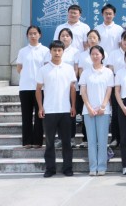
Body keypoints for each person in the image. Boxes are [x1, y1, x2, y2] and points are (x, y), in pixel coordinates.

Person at [35, 40, 77, 178]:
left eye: (59, 50)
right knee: (49, 142)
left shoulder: (68, 69)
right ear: (50, 51)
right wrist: (40, 107)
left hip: (65, 110)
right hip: (49, 111)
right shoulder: (44, 69)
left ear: (63, 52)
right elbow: (38, 89)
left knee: (66, 142)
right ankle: (50, 168)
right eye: (54, 50)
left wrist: (73, 106)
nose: (57, 53)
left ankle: (67, 168)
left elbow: (72, 88)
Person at [79, 45, 114, 176]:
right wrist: (88, 107)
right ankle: (93, 167)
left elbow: (109, 90)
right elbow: (83, 91)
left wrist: (103, 106)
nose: (95, 56)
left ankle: (102, 166)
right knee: (92, 140)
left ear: (102, 56)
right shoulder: (85, 73)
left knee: (102, 140)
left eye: (97, 54)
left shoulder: (108, 72)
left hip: (103, 111)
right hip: (88, 111)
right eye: (92, 54)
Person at [16, 26, 49, 149]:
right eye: (30, 34)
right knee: (26, 115)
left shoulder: (45, 50)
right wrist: (27, 76)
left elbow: (47, 68)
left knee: (40, 115)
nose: (33, 36)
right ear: (27, 36)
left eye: (35, 33)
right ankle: (27, 141)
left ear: (40, 35)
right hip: (25, 88)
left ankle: (38, 141)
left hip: (40, 88)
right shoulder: (22, 51)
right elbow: (19, 68)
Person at [106, 28, 126, 147]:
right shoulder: (114, 54)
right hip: (116, 88)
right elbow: (110, 71)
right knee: (116, 113)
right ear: (121, 40)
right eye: (125, 40)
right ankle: (115, 138)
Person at [75, 30, 102, 148]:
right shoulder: (82, 55)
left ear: (98, 39)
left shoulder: (103, 52)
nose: (92, 40)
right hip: (86, 88)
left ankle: (99, 139)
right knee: (87, 112)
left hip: (99, 88)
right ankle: (86, 138)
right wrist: (84, 85)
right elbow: (80, 71)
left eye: (94, 37)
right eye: (90, 37)